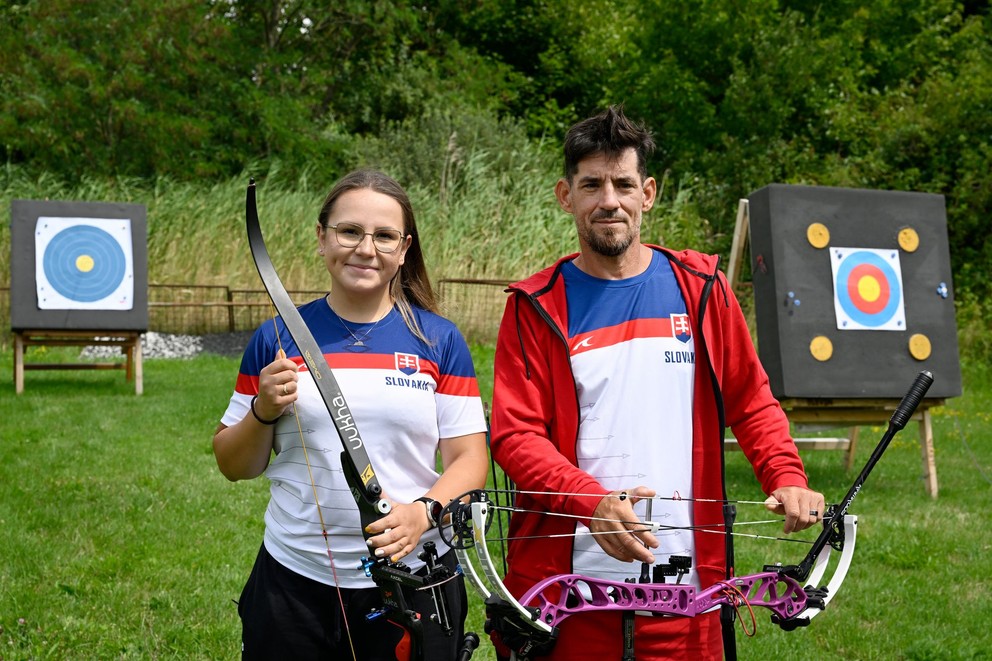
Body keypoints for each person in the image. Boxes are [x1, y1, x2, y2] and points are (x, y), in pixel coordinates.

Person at [488, 106, 826, 660]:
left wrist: (785, 474)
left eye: (623, 184)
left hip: (688, 593)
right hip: (566, 592)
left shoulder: (700, 288)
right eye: (591, 185)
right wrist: (591, 503)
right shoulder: (537, 306)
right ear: (564, 195)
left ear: (647, 193)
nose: (609, 201)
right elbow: (515, 436)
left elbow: (750, 397)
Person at [213, 169, 489, 660]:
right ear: (322, 239)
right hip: (295, 581)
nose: (366, 248)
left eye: (384, 236)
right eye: (349, 231)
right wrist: (262, 410)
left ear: (404, 249)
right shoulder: (276, 337)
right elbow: (234, 465)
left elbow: (469, 459)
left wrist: (421, 514)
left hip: (414, 579)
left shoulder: (438, 340)